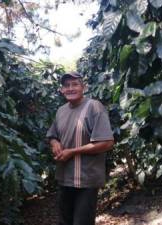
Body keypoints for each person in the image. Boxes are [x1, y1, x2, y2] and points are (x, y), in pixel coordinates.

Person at [46, 72, 114, 225]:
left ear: (84, 87)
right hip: (64, 178)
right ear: (62, 90)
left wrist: (72, 152)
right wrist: (54, 143)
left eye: (75, 84)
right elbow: (52, 135)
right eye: (66, 85)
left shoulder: (94, 107)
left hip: (86, 179)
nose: (70, 88)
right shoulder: (61, 111)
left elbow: (107, 142)